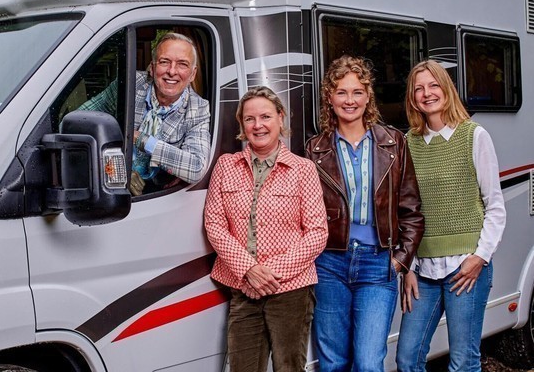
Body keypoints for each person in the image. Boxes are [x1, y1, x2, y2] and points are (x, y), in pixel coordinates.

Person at [305, 55, 424, 371]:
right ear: (329, 98)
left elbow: (411, 210)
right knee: (333, 363)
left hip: (377, 263)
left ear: (368, 95)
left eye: (357, 91)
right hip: (329, 264)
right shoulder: (314, 150)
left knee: (369, 362)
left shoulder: (392, 143)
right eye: (341, 92)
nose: (349, 100)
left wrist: (399, 261)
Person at [204, 86, 328, 372]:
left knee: (289, 367)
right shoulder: (226, 166)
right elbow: (214, 224)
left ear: (280, 118)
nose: (258, 125)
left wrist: (270, 273)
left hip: (291, 291)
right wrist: (249, 269)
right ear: (242, 124)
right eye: (249, 119)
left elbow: (317, 233)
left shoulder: (303, 169)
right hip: (243, 288)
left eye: (265, 116)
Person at [396, 60, 506, 372]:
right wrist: (408, 268)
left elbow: (495, 205)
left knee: (463, 362)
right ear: (412, 97)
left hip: (466, 269)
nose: (426, 93)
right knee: (407, 358)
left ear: (446, 89)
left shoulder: (474, 136)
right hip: (424, 273)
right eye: (418, 88)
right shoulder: (408, 143)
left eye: (433, 85)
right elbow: (407, 213)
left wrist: (480, 257)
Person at [79, 32, 211, 195]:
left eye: (182, 64)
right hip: (108, 187)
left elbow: (196, 167)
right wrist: (116, 169)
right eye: (164, 62)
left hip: (157, 196)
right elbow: (78, 121)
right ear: (153, 67)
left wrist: (141, 140)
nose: (172, 71)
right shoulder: (129, 84)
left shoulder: (198, 107)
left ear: (192, 74)